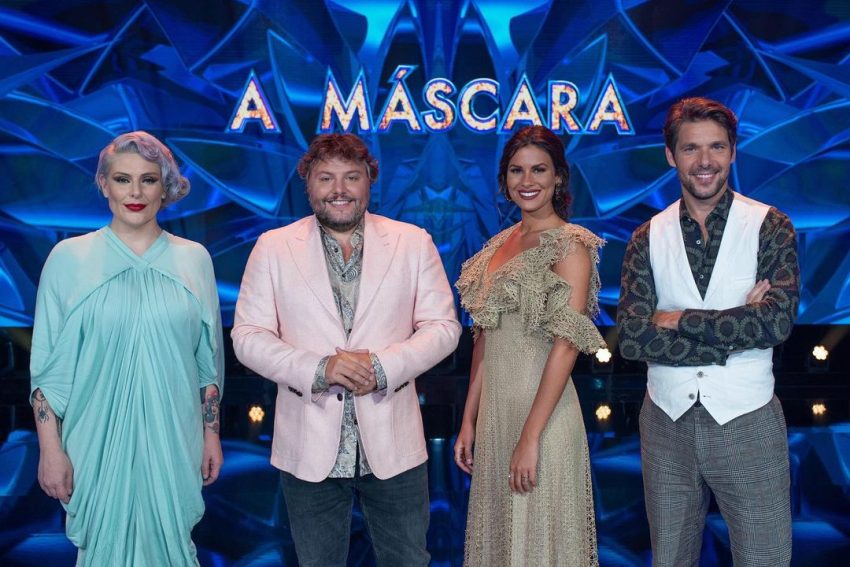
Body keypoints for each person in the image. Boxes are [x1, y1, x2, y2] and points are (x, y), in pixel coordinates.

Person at [231, 133, 460, 566]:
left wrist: (381, 367)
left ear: (369, 181)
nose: (339, 190)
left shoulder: (413, 241)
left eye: (351, 177)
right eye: (326, 178)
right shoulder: (274, 247)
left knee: (408, 562)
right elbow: (248, 336)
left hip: (393, 444)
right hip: (308, 445)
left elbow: (443, 327)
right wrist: (321, 369)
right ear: (308, 185)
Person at [617, 97, 799, 566]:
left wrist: (678, 319)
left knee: (764, 558)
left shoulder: (770, 226)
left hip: (748, 419)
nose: (705, 161)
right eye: (691, 148)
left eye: (716, 147)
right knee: (670, 559)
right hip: (665, 422)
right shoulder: (646, 236)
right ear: (670, 155)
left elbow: (775, 322)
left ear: (733, 152)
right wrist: (735, 332)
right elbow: (633, 338)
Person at [30, 131, 224, 566]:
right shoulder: (67, 258)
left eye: (148, 180)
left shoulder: (195, 259)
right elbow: (47, 367)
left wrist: (211, 435)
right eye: (122, 179)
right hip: (93, 439)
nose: (135, 192)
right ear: (104, 184)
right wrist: (50, 449)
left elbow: (206, 361)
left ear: (165, 187)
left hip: (175, 437)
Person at [454, 125, 604, 566]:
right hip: (496, 416)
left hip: (545, 418)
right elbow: (485, 338)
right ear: (504, 180)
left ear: (558, 177)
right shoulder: (497, 246)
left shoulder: (571, 245)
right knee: (501, 544)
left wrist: (531, 436)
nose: (527, 180)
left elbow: (567, 345)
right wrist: (469, 420)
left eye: (539, 169)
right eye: (516, 171)